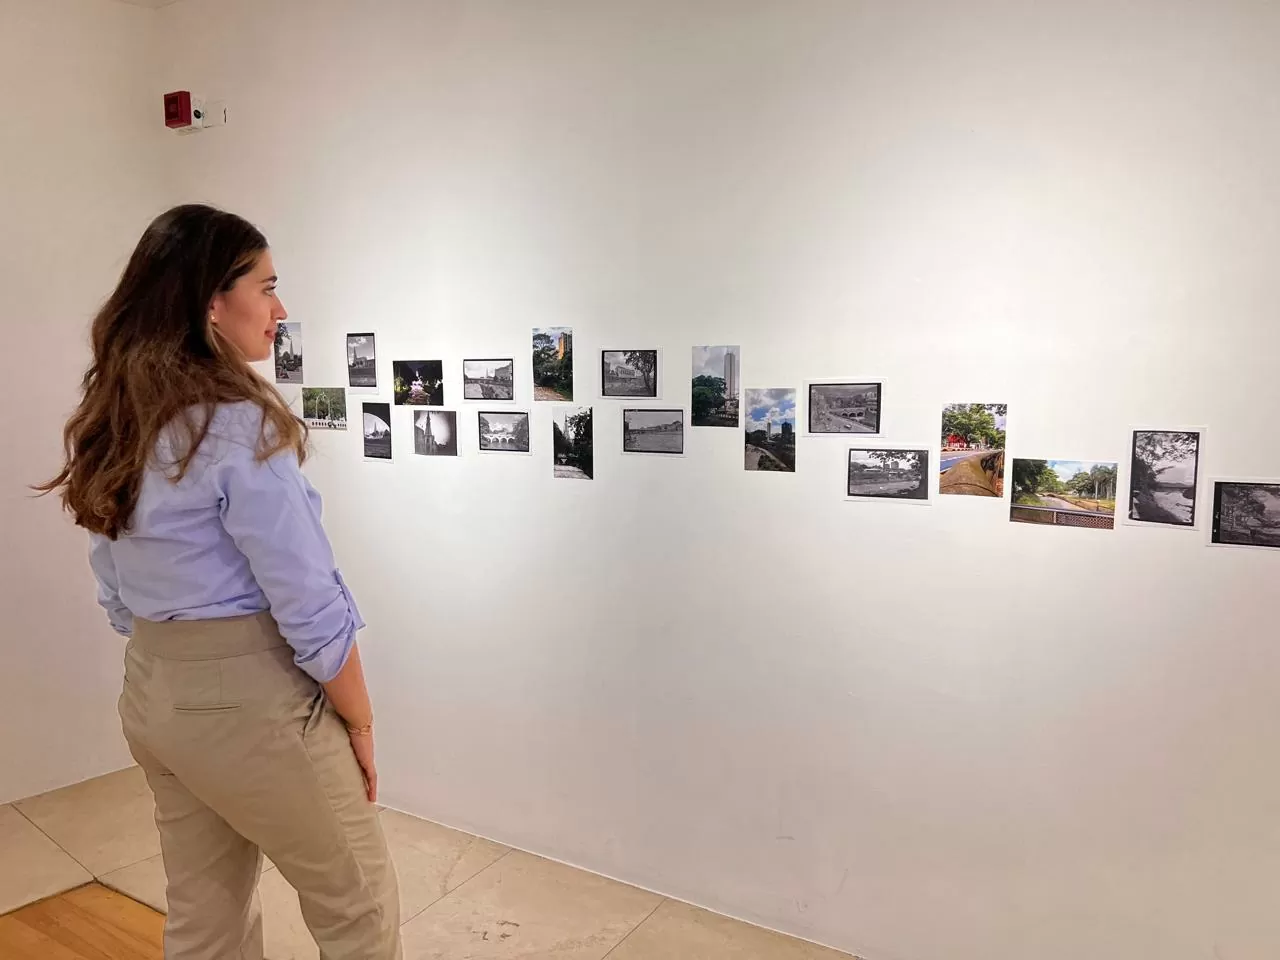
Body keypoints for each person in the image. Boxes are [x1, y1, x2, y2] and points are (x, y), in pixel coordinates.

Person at [37, 205, 402, 960]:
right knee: (359, 908)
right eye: (266, 287)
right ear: (212, 300)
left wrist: (176, 655)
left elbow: (112, 581)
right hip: (253, 704)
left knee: (205, 918)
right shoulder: (239, 426)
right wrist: (360, 723)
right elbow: (310, 600)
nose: (280, 309)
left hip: (153, 690)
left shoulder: (122, 418)